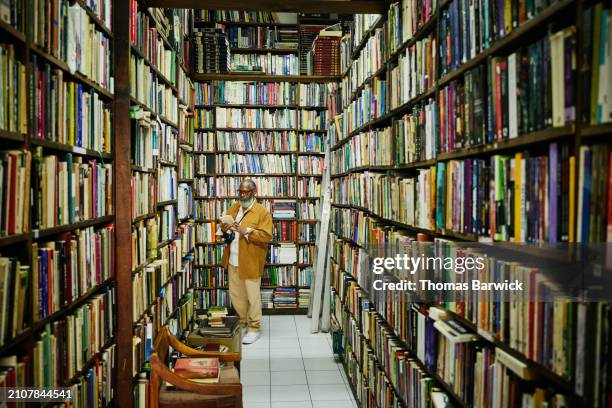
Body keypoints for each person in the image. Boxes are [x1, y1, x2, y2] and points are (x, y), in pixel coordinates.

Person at [220, 179, 272, 344]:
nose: (242, 195)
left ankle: (254, 328)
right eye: (240, 191)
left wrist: (246, 231)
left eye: (246, 192)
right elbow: (226, 229)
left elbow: (265, 236)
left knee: (252, 296)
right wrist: (224, 229)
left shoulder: (262, 212)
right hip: (233, 259)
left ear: (254, 192)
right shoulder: (235, 207)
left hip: (250, 261)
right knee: (236, 296)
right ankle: (242, 323)